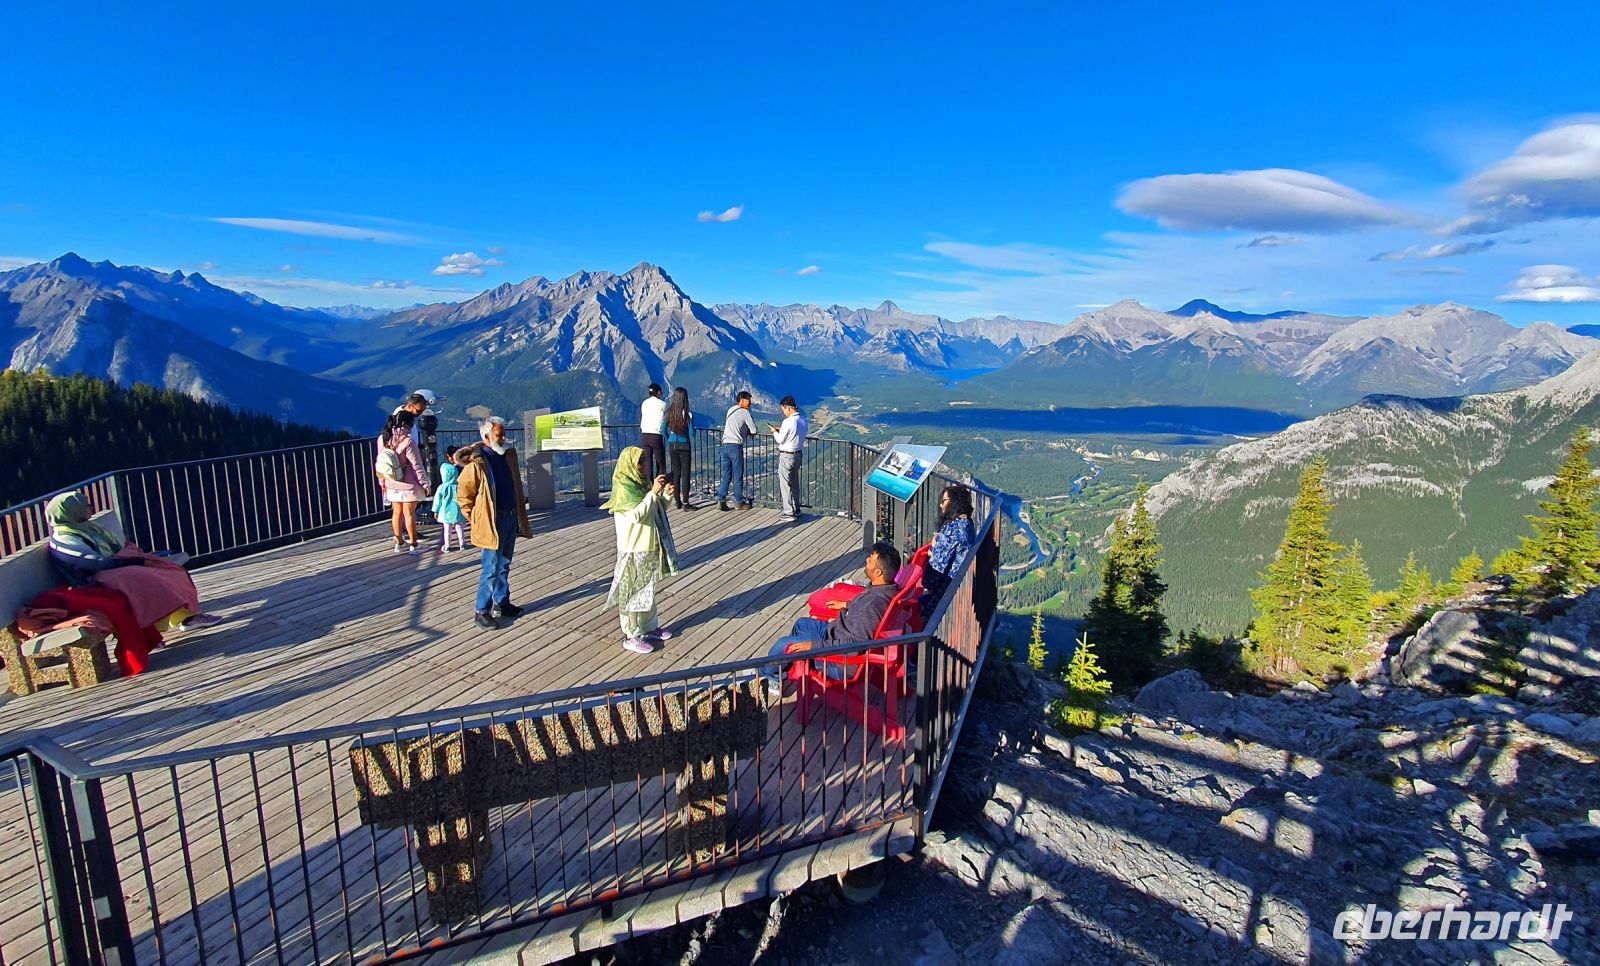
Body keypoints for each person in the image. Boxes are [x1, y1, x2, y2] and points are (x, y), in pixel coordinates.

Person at [45, 492, 222, 673]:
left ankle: (184, 617)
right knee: (147, 579)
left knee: (166, 571)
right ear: (71, 512)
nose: (90, 507)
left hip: (111, 571)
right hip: (95, 580)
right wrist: (137, 561)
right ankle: (163, 624)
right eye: (85, 506)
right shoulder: (65, 539)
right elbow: (95, 563)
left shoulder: (85, 528)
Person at [763, 541, 901, 683]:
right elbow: (863, 613)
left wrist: (813, 646)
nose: (867, 560)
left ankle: (769, 676)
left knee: (784, 644)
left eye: (871, 559)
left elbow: (855, 645)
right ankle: (788, 665)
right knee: (801, 624)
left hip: (840, 662)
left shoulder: (872, 606)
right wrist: (847, 605)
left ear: (878, 572)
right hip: (836, 633)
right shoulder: (884, 590)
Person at [456, 416, 533, 629]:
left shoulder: (507, 456)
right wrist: (476, 519)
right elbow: (464, 496)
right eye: (499, 435)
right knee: (490, 567)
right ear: (487, 437)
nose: (504, 438)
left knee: (504, 563)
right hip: (493, 521)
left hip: (509, 516)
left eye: (503, 433)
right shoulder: (476, 464)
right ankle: (482, 610)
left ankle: (501, 602)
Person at [604, 447, 680, 654]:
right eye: (640, 462)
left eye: (645, 461)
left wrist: (665, 496)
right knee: (630, 594)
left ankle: (649, 627)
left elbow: (654, 509)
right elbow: (636, 516)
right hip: (632, 548)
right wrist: (653, 493)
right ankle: (631, 634)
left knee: (647, 591)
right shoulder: (623, 490)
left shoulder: (641, 485)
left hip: (647, 546)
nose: (645, 466)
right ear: (630, 465)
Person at [920, 484, 976, 621]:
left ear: (953, 503)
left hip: (945, 593)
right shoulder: (967, 523)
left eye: (944, 501)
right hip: (962, 587)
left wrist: (933, 549)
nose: (941, 506)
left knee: (917, 606)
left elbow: (936, 570)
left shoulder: (952, 529)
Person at [379, 410, 430, 554]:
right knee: (409, 514)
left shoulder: (384, 438)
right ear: (408, 424)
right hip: (408, 484)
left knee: (396, 513)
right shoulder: (408, 441)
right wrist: (425, 483)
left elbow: (381, 463)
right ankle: (414, 545)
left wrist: (382, 482)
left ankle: (399, 543)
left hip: (391, 482)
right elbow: (416, 465)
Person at [717, 390, 757, 512]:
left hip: (724, 445)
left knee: (726, 475)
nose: (750, 402)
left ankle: (721, 500)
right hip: (735, 446)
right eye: (748, 399)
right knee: (738, 475)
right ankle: (739, 502)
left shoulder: (731, 410)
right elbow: (754, 430)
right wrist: (747, 432)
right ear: (742, 400)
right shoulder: (745, 413)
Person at [770, 395, 807, 521]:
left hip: (786, 456)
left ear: (787, 408)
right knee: (795, 483)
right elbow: (795, 433)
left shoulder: (788, 422)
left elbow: (780, 440)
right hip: (798, 455)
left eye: (783, 409)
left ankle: (788, 512)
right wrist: (782, 430)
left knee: (785, 484)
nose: (783, 412)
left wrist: (774, 432)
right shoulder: (803, 420)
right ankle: (796, 509)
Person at [664, 386, 697, 510]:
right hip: (684, 446)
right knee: (685, 474)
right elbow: (692, 433)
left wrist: (670, 439)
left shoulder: (669, 412)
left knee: (676, 474)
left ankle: (677, 501)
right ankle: (686, 503)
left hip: (672, 445)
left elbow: (663, 429)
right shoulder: (687, 414)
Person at [432, 445, 467, 552]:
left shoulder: (442, 487)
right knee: (459, 527)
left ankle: (447, 546)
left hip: (445, 511)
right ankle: (462, 544)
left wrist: (435, 510)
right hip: (457, 509)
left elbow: (437, 500)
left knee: (447, 530)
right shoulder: (458, 486)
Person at [639, 383, 668, 481]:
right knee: (660, 463)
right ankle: (659, 484)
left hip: (644, 435)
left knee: (647, 463)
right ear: (658, 392)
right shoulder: (662, 404)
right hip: (656, 435)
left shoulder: (644, 403)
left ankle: (649, 485)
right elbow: (665, 418)